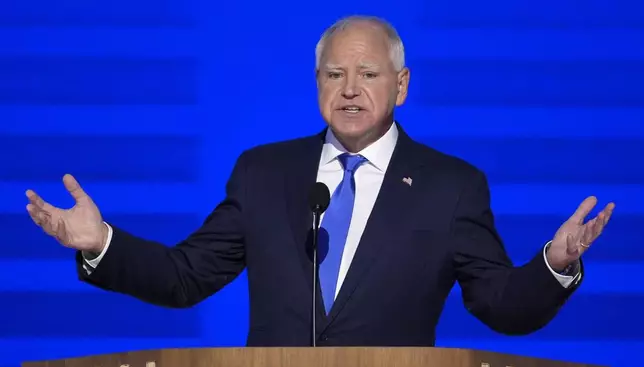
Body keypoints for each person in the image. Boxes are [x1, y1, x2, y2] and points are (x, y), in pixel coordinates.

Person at [25, 16, 614, 347]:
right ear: (316, 84)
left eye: (366, 74)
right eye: (334, 74)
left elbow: (500, 305)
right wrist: (101, 241)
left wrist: (554, 264)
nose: (349, 89)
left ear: (401, 86)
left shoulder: (449, 186)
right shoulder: (265, 172)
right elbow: (185, 278)